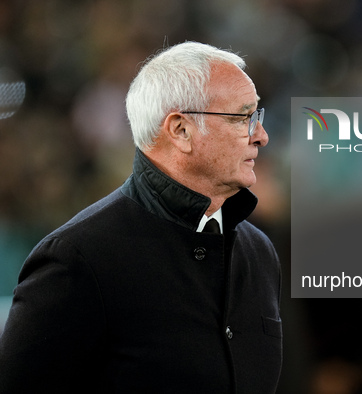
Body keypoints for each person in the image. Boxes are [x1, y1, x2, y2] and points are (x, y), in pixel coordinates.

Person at [0, 42, 282, 393]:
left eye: (258, 117)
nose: (261, 136)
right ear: (180, 130)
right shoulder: (77, 258)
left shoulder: (260, 252)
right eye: (243, 117)